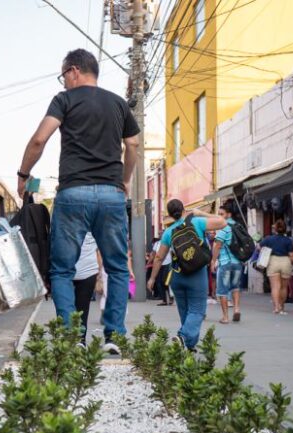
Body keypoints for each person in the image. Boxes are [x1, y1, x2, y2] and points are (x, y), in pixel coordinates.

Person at [17, 49, 139, 355]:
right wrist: (125, 180)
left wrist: (23, 173)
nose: (64, 81)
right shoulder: (118, 103)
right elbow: (133, 144)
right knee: (116, 268)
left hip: (73, 194)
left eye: (63, 76)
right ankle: (114, 335)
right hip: (111, 195)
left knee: (61, 270)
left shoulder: (64, 100)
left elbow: (38, 139)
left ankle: (72, 341)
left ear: (73, 71)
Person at [147, 199, 226, 351]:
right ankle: (183, 336)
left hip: (177, 275)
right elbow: (222, 222)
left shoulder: (169, 232)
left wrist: (152, 278)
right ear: (184, 209)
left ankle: (189, 345)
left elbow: (158, 258)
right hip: (196, 274)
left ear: (170, 215)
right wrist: (200, 212)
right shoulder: (197, 222)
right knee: (197, 310)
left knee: (185, 312)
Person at [211, 201, 244, 323]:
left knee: (222, 290)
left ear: (228, 214)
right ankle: (236, 309)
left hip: (225, 264)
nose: (219, 216)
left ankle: (225, 317)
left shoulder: (224, 228)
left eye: (222, 214)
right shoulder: (238, 226)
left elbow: (218, 246)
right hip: (237, 264)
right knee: (235, 287)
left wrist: (213, 261)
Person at [261, 220, 293, 315]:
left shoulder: (269, 239)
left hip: (273, 261)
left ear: (275, 229)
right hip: (285, 261)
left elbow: (259, 247)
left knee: (275, 287)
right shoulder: (288, 240)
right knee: (284, 287)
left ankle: (276, 307)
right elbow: (292, 255)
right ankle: (282, 307)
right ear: (285, 229)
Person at [73, 233, 102, 345]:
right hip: (89, 270)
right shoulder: (93, 218)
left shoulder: (64, 218)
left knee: (67, 306)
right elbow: (99, 251)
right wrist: (99, 272)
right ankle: (80, 340)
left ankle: (71, 338)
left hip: (65, 270)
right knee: (82, 308)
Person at [152, 234, 173, 305]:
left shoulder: (169, 242)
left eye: (162, 234)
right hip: (159, 265)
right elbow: (153, 254)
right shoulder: (157, 244)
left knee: (166, 282)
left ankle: (171, 298)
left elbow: (172, 253)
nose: (161, 236)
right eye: (160, 234)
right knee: (159, 282)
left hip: (168, 264)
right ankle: (164, 300)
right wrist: (149, 262)